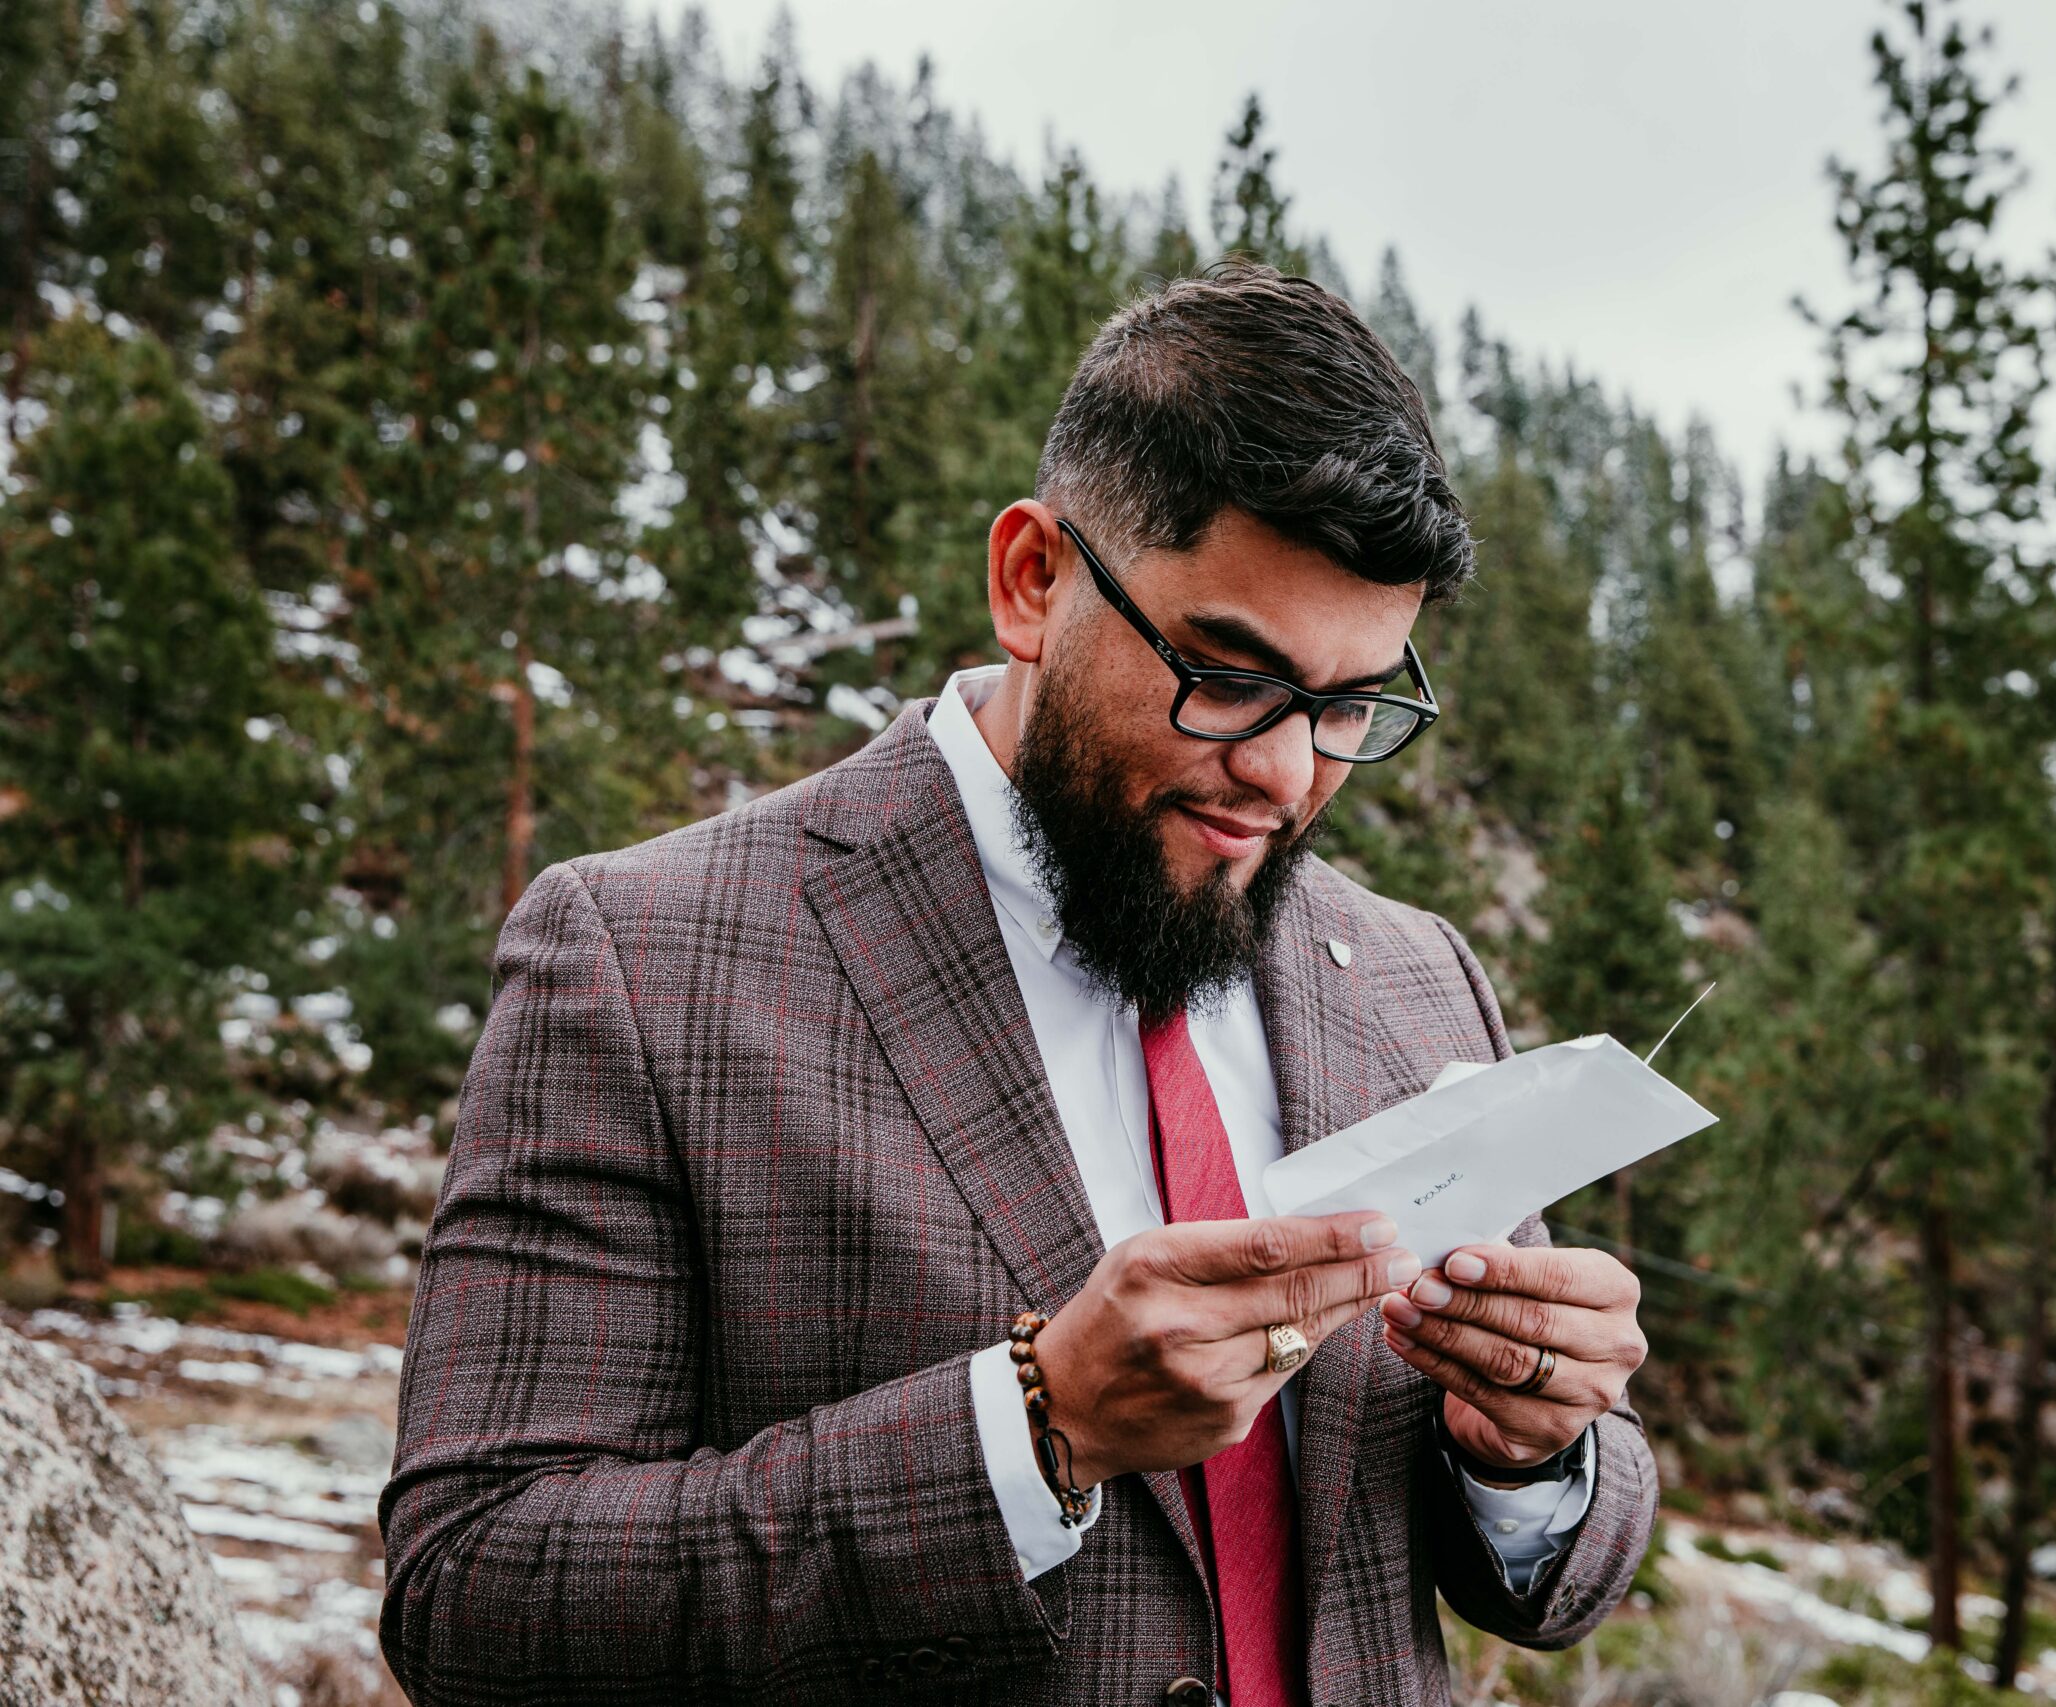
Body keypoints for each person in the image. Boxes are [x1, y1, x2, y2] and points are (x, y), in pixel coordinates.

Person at [378, 261, 1658, 1706]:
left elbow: (1550, 1571)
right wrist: (1032, 1429)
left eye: (1353, 704)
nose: (1288, 776)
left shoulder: (1422, 980)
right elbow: (474, 1595)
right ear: (1032, 582)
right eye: (1227, 673)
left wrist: (1536, 1449)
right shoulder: (639, 960)